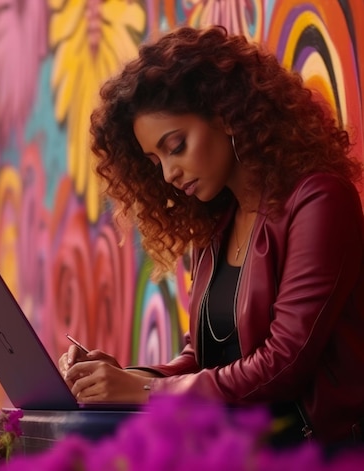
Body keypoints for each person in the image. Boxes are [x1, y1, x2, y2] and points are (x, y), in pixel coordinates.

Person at [59, 25, 364, 447]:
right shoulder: (218, 224)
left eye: (176, 145)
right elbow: (203, 358)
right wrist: (127, 377)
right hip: (238, 447)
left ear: (225, 114)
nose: (168, 173)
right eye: (155, 160)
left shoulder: (318, 200)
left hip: (314, 450)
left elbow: (282, 364)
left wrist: (144, 393)